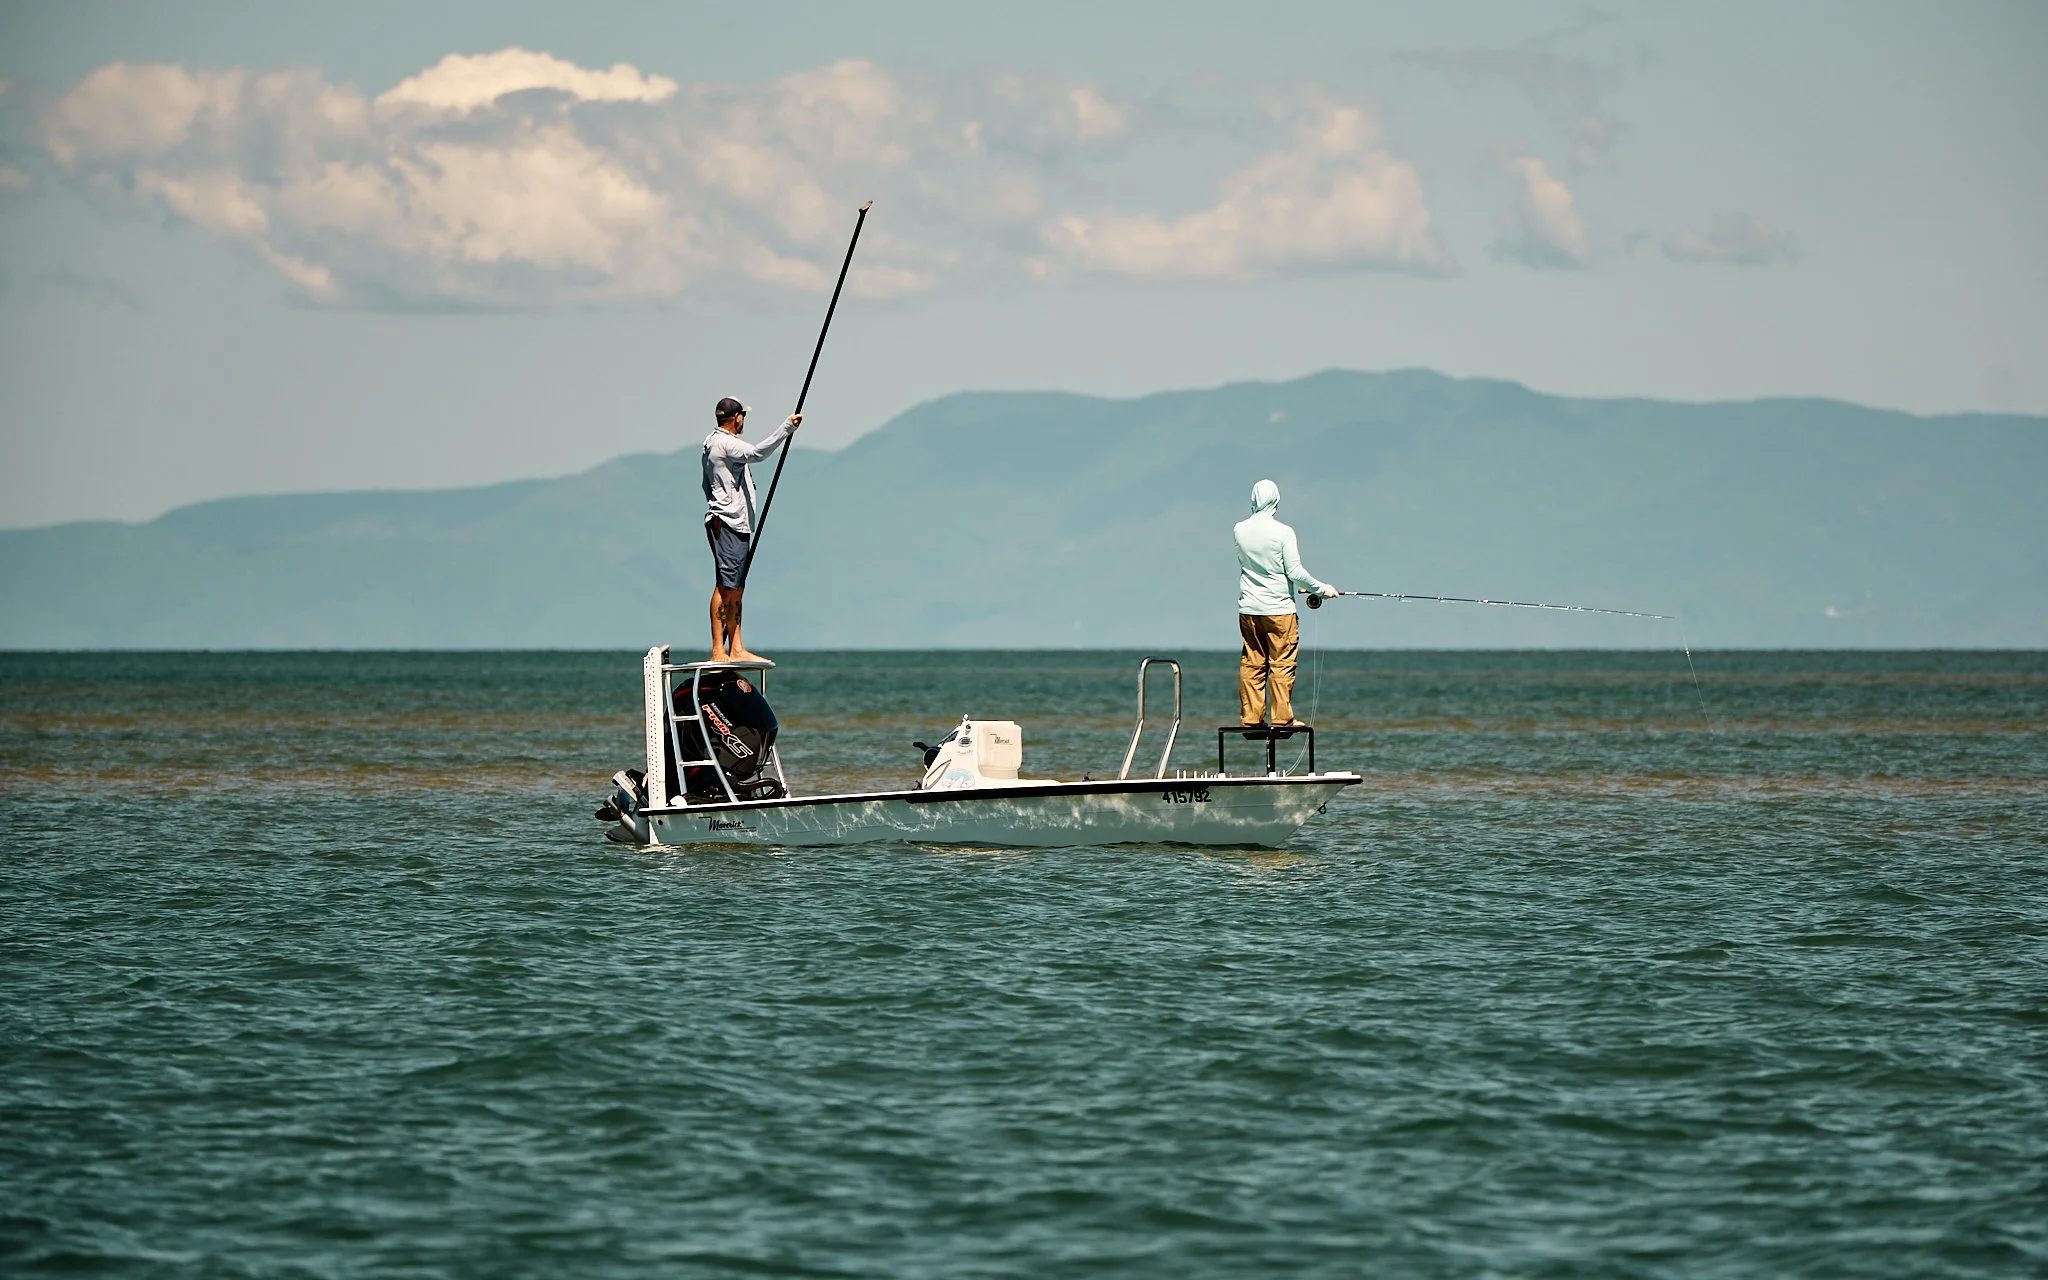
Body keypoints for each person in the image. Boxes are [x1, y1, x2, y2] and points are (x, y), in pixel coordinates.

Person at [702, 396, 801, 662]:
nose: (744, 419)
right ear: (736, 418)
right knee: (725, 586)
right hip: (728, 522)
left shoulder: (711, 442)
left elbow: (706, 484)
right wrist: (787, 428)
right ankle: (718, 650)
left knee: (736, 587)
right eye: (743, 415)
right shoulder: (726, 443)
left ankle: (736, 647)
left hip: (733, 522)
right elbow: (757, 453)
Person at [1233, 478, 1337, 727]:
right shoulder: (1284, 533)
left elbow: (1259, 567)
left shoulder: (1239, 529)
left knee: (1252, 663)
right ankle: (1282, 719)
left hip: (1249, 610)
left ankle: (1251, 719)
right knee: (1281, 664)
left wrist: (1291, 584)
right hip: (1279, 611)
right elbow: (1295, 571)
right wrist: (1322, 589)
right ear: (1276, 501)